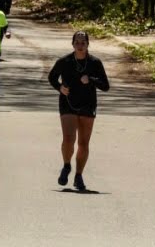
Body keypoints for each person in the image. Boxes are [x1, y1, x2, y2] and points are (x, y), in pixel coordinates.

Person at [48, 31, 110, 192]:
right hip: (68, 103)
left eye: (83, 43)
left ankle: (79, 175)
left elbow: (105, 86)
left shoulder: (95, 63)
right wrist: (60, 88)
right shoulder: (64, 61)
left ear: (88, 44)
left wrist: (91, 79)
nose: (80, 45)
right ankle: (67, 165)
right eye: (77, 42)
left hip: (88, 104)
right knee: (68, 138)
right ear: (73, 44)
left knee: (83, 143)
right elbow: (52, 77)